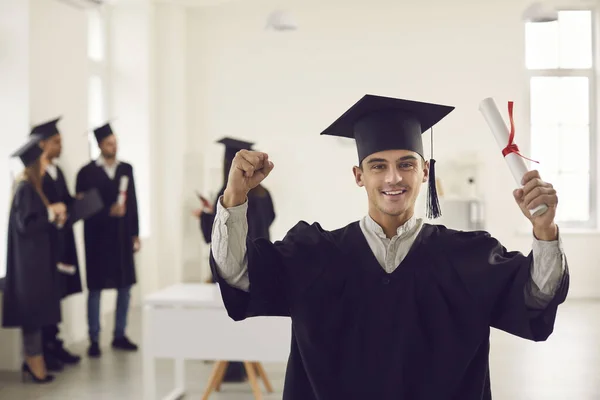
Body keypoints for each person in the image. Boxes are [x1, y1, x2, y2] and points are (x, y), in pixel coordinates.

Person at [209, 95, 569, 400]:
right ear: (359, 176)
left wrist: (544, 229)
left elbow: (535, 297)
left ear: (425, 172)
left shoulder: (467, 257)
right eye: (378, 166)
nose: (393, 177)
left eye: (406, 164)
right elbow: (238, 275)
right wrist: (235, 197)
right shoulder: (313, 255)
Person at [193, 137, 276, 382]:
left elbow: (218, 235)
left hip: (238, 261)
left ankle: (233, 366)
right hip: (261, 259)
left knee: (232, 311)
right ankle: (242, 364)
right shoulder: (265, 194)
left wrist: (206, 215)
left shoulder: (228, 193)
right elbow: (271, 218)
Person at [2, 134, 67, 384]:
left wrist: (54, 218)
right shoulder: (25, 188)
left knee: (37, 314)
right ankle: (33, 360)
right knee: (32, 315)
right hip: (28, 266)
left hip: (35, 263)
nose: (44, 165)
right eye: (40, 161)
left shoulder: (33, 188)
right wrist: (51, 214)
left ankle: (34, 360)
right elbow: (26, 225)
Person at [75, 122, 140, 358]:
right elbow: (82, 208)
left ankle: (119, 334)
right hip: (97, 239)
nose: (114, 146)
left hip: (122, 236)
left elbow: (132, 202)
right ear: (100, 145)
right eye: (110, 142)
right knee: (95, 289)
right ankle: (94, 338)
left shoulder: (126, 169)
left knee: (125, 287)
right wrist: (106, 212)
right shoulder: (86, 173)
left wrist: (135, 233)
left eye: (116, 142)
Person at [29, 117, 83, 371]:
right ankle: (45, 347)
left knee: (58, 293)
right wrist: (54, 211)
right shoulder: (34, 176)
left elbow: (65, 200)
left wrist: (74, 204)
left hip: (62, 241)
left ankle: (55, 342)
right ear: (42, 145)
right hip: (43, 246)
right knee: (46, 296)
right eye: (56, 142)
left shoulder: (57, 171)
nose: (61, 147)